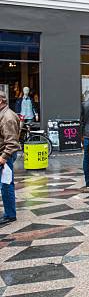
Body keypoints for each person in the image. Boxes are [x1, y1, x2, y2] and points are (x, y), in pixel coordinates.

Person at [0, 91, 20, 226]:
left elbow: (12, 143)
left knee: (6, 185)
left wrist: (3, 158)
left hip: (4, 156)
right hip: (3, 154)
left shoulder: (7, 117)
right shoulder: (4, 115)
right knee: (5, 184)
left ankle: (10, 215)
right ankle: (9, 213)